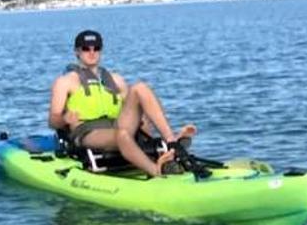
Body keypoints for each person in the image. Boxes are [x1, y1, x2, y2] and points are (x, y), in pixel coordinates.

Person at [47, 29, 196, 176]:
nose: (92, 52)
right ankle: (156, 170)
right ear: (77, 52)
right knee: (122, 135)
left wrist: (144, 128)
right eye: (86, 49)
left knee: (140, 88)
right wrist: (64, 119)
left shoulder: (115, 80)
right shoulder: (65, 82)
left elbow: (133, 111)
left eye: (96, 48)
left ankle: (171, 141)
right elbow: (53, 121)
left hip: (117, 125)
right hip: (88, 132)